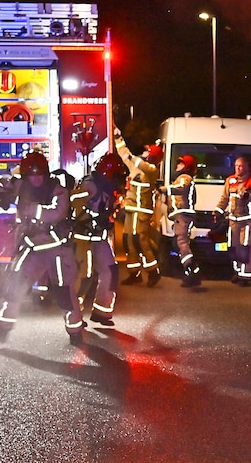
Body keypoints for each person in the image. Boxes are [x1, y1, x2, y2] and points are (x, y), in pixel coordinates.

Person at [0, 151, 85, 345]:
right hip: (31, 247)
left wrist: (23, 204)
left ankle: (75, 331)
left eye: (39, 174)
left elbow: (55, 213)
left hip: (57, 249)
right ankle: (1, 329)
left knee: (65, 292)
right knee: (15, 286)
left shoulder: (58, 190)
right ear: (25, 175)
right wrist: (0, 194)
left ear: (46, 174)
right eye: (31, 174)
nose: (36, 178)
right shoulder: (20, 185)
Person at [71, 152, 124, 327]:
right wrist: (92, 217)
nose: (119, 180)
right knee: (84, 276)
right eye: (117, 175)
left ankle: (102, 311)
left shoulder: (108, 188)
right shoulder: (90, 186)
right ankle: (75, 314)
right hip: (83, 237)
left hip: (99, 237)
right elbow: (72, 202)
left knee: (111, 271)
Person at [112, 128, 162, 287]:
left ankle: (153, 271)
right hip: (131, 210)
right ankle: (134, 273)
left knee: (141, 241)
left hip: (142, 212)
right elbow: (123, 152)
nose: (145, 153)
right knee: (128, 240)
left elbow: (139, 162)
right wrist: (118, 137)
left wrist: (132, 157)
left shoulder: (152, 170)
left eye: (148, 152)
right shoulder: (135, 167)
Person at [216, 154, 251, 285]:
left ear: (247, 167)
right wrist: (218, 210)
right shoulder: (230, 180)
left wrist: (250, 196)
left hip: (247, 221)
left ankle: (245, 276)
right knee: (233, 248)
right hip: (233, 220)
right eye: (236, 166)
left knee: (246, 248)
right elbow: (224, 198)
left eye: (241, 166)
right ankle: (237, 272)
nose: (238, 168)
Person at [167, 154, 203, 287]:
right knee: (179, 244)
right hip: (181, 215)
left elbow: (180, 189)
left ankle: (193, 271)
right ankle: (191, 274)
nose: (177, 166)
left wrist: (165, 190)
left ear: (187, 167)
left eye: (181, 163)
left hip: (183, 215)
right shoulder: (182, 178)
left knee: (182, 243)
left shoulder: (184, 178)